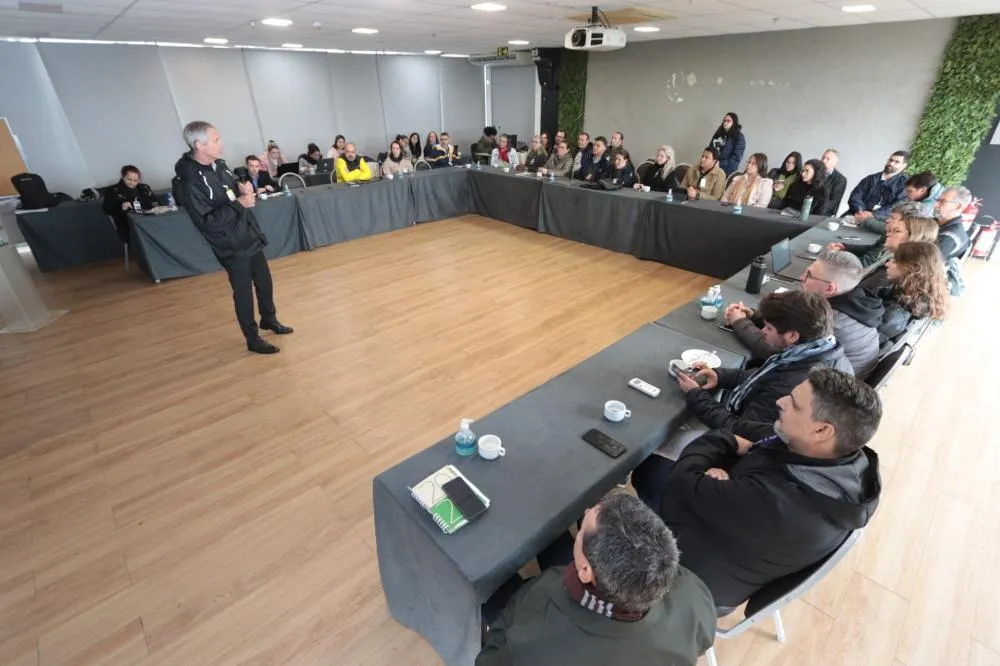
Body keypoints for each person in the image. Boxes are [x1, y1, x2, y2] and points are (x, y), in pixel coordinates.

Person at [632, 367, 882, 611]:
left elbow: (682, 482)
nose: (781, 402)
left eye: (794, 404)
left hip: (694, 580)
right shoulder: (835, 455)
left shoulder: (780, 504)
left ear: (821, 430)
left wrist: (725, 441)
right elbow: (749, 431)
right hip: (733, 541)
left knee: (622, 500)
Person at [477, 490, 716, 666]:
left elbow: (490, 658)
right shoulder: (695, 595)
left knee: (493, 590)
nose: (580, 524)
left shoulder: (535, 634)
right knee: (555, 543)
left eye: (580, 533)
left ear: (585, 571)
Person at [175, 121, 293, 354]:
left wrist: (242, 190)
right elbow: (206, 222)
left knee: (264, 282)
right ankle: (252, 338)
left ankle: (269, 319)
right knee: (243, 293)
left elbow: (229, 190)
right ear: (199, 144)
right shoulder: (190, 179)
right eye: (216, 140)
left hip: (247, 233)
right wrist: (239, 204)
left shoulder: (219, 165)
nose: (222, 144)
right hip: (229, 244)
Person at [678, 290, 853, 434]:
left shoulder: (793, 385)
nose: (762, 331)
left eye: (769, 328)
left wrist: (695, 395)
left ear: (792, 335)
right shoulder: (822, 350)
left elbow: (740, 430)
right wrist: (720, 375)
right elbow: (764, 377)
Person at [725, 251, 883, 379]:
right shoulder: (855, 300)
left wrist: (739, 322)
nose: (801, 277)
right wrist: (754, 316)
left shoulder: (832, 322)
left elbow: (776, 351)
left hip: (824, 392)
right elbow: (787, 328)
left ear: (829, 289)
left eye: (809, 275)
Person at [874, 241, 949, 347]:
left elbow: (864, 341)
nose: (887, 264)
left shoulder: (895, 315)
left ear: (911, 270)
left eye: (894, 261)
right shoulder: (921, 293)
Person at [827, 201, 925, 268]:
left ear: (907, 225)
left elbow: (863, 264)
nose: (887, 220)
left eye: (893, 218)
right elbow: (872, 249)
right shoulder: (892, 235)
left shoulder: (895, 244)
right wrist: (845, 247)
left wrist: (835, 255)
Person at [845, 150, 909, 232]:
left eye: (897, 162)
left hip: (882, 220)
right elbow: (855, 196)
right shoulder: (871, 178)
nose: (891, 163)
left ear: (903, 166)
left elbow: (898, 206)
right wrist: (862, 211)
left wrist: (873, 214)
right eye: (890, 160)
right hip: (857, 213)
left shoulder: (904, 184)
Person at [931, 185, 972, 294]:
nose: (935, 205)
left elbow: (927, 266)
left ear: (958, 207)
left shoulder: (950, 237)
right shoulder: (936, 222)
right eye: (938, 200)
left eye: (942, 202)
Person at [102, 165, 157, 244]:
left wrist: (157, 208)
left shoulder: (144, 188)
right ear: (123, 176)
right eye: (129, 179)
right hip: (127, 224)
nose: (132, 183)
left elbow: (155, 202)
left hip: (149, 220)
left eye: (135, 180)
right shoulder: (112, 190)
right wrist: (121, 206)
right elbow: (106, 209)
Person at [819, 149, 847, 216]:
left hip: (823, 214)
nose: (823, 160)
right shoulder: (815, 173)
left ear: (835, 162)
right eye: (823, 157)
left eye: (828, 159)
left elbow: (833, 202)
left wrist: (816, 211)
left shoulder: (840, 180)